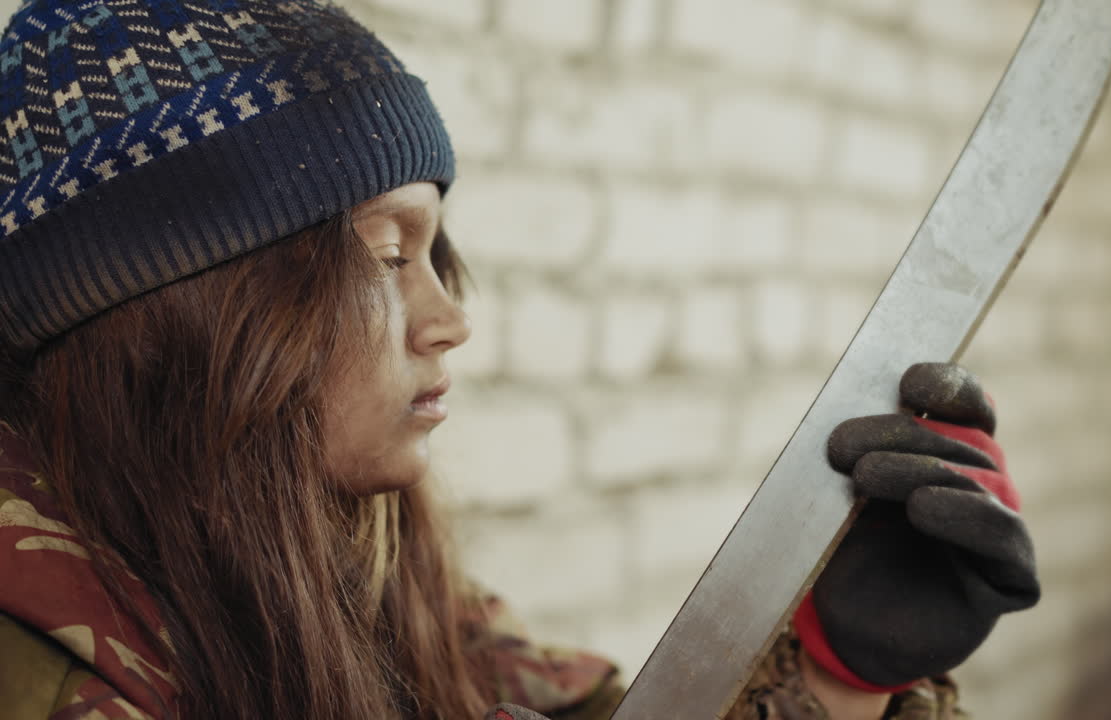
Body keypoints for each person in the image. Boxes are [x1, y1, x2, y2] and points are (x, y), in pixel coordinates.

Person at [0, 1, 1040, 718]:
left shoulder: (375, 590)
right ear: (183, 312)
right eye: (385, 255)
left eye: (435, 251)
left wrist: (834, 678)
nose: (448, 317)